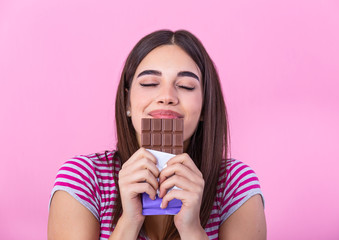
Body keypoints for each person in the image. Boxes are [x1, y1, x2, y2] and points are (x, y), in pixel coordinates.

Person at [48, 29, 266, 240]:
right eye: (150, 83)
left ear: (204, 107)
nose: (167, 97)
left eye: (186, 86)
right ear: (127, 102)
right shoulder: (85, 179)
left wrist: (191, 230)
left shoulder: (234, 185)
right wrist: (129, 222)